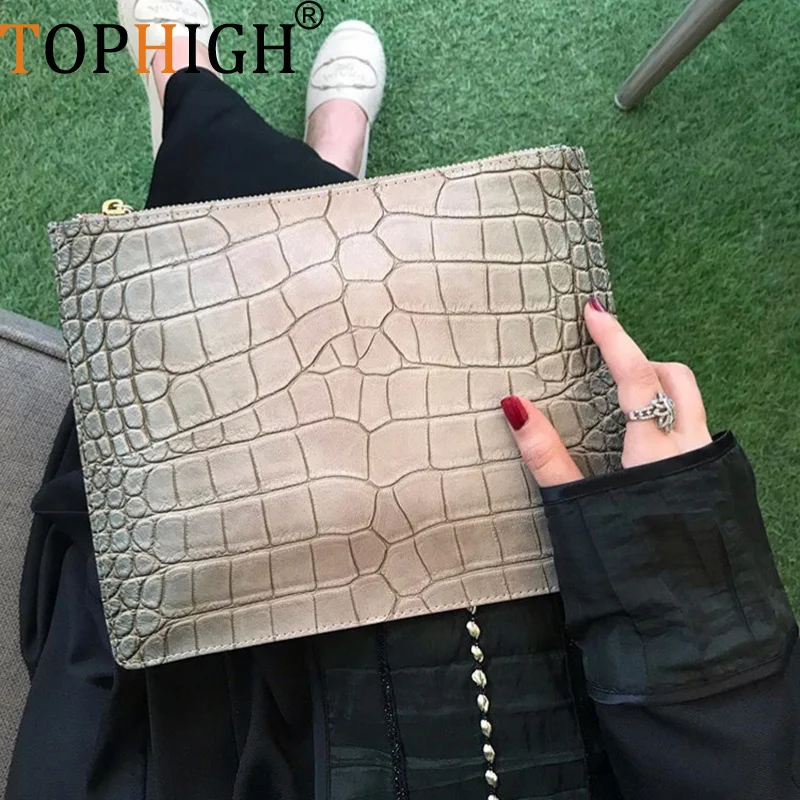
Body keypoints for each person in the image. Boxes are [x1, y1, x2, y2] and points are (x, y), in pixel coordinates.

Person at [7, 2, 799, 798]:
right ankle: (312, 165)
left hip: (209, 712)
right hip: (551, 687)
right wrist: (678, 576)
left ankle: (215, 103)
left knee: (200, 309)